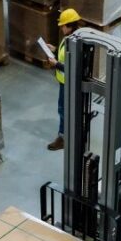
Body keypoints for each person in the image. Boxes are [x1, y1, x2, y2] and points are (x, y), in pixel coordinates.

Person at [47, 8, 80, 151]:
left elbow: (73, 67)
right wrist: (54, 49)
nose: (61, 27)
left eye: (63, 25)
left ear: (70, 25)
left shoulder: (74, 43)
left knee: (63, 110)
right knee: (66, 109)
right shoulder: (70, 38)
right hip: (64, 82)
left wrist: (56, 64)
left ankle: (63, 138)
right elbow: (64, 54)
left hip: (68, 83)